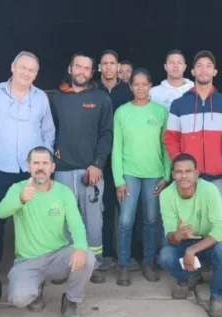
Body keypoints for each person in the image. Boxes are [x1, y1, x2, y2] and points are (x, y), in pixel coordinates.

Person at [0, 51, 56, 275]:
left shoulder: (40, 98)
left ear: (36, 74)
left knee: (33, 222)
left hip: (31, 172)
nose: (27, 73)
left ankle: (34, 269)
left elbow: (48, 133)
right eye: (23, 68)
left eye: (32, 70)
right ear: (13, 67)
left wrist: (44, 166)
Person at [0, 147, 95, 317]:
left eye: (45, 163)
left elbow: (76, 223)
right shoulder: (19, 189)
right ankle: (36, 288)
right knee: (19, 299)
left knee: (88, 257)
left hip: (57, 257)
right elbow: (0, 212)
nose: (40, 167)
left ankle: (70, 301)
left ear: (52, 167)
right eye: (36, 163)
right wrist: (20, 199)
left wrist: (80, 246)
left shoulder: (64, 192)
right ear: (28, 167)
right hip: (27, 261)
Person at [51, 53, 113, 284]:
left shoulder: (101, 98)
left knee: (93, 221)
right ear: (70, 67)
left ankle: (93, 265)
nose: (82, 72)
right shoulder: (58, 98)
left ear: (92, 72)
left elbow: (106, 134)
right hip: (62, 170)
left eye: (87, 68)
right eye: (78, 66)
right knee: (63, 221)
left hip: (91, 172)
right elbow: (51, 131)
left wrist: (98, 164)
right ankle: (64, 265)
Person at [112, 68, 170, 286]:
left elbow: (166, 146)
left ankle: (149, 262)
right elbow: (117, 149)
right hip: (129, 174)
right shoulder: (122, 113)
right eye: (136, 84)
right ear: (130, 86)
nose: (140, 88)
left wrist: (166, 174)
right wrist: (119, 180)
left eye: (144, 84)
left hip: (154, 174)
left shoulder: (160, 112)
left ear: (150, 86)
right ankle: (124, 265)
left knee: (151, 220)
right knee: (126, 221)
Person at [157, 153, 222, 317]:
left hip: (208, 242)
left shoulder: (210, 190)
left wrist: (191, 251)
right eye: (178, 172)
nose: (183, 175)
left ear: (196, 173)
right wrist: (176, 235)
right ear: (173, 175)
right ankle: (186, 278)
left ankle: (218, 296)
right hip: (184, 243)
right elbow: (169, 236)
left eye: (188, 171)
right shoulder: (166, 195)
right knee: (165, 256)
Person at [164, 50, 222, 201]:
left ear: (215, 71)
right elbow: (171, 137)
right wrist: (180, 161)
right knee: (189, 221)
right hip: (187, 175)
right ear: (192, 71)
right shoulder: (179, 104)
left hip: (217, 174)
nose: (204, 70)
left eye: (208, 66)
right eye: (199, 66)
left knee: (216, 220)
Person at [96, 49, 135, 272]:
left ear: (118, 67)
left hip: (124, 158)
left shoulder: (127, 91)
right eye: (105, 63)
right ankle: (106, 254)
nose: (109, 67)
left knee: (127, 208)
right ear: (100, 67)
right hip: (101, 158)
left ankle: (129, 255)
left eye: (113, 63)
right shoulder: (93, 90)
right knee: (105, 207)